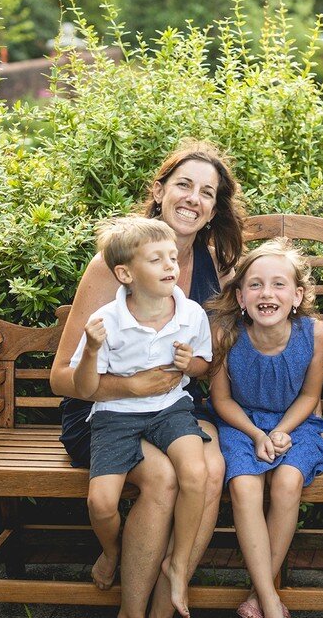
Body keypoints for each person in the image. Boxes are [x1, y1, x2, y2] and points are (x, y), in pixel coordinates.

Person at [50, 141, 246, 618]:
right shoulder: (113, 264)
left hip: (173, 406)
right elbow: (61, 377)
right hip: (103, 412)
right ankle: (132, 612)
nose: (193, 199)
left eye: (207, 192)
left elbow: (209, 353)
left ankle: (166, 603)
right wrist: (128, 387)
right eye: (183, 185)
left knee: (213, 468)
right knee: (161, 478)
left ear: (214, 208)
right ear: (159, 191)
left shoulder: (217, 264)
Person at [69, 217, 212, 618]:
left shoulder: (191, 314)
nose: (171, 265)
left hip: (170, 408)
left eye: (172, 257)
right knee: (101, 503)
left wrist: (192, 364)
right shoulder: (107, 322)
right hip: (114, 417)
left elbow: (203, 365)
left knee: (196, 473)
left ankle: (178, 564)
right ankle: (112, 551)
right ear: (125, 273)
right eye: (157, 259)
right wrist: (94, 351)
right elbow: (83, 387)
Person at [207, 239, 323, 618]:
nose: (267, 293)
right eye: (256, 285)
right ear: (241, 297)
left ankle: (257, 593)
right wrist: (257, 434)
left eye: (279, 284)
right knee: (245, 485)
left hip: (297, 423)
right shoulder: (225, 335)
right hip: (240, 424)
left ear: (297, 295)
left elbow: (310, 395)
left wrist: (281, 431)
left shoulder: (314, 334)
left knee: (288, 481)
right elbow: (222, 401)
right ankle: (268, 600)